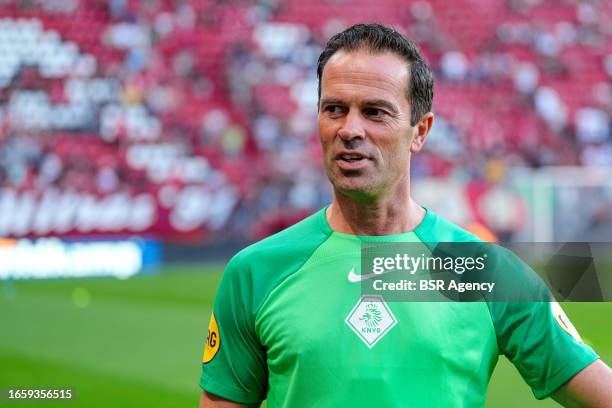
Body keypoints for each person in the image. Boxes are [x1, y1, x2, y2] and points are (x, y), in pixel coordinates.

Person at [199, 23, 612, 407]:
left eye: (375, 112)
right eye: (335, 109)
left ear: (421, 131)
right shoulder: (255, 272)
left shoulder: (488, 272)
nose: (350, 129)